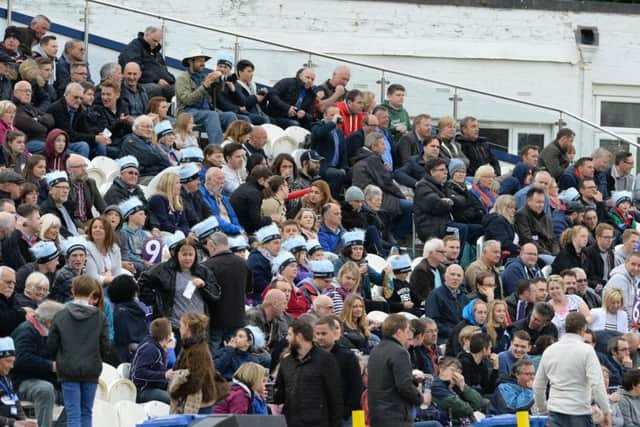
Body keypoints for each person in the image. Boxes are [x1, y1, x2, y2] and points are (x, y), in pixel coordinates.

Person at [48, 275, 110, 427]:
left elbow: (51, 345)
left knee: (73, 414)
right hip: (91, 369)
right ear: (92, 293)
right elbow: (106, 346)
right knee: (86, 412)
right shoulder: (100, 317)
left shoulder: (60, 315)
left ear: (72, 291)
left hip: (68, 369)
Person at [138, 232, 220, 345]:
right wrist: (155, 301)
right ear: (176, 254)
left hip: (199, 327)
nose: (187, 258)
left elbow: (216, 294)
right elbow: (143, 281)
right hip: (175, 327)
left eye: (190, 254)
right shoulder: (163, 270)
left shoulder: (203, 271)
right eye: (184, 254)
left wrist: (204, 286)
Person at [534, 312, 611, 427]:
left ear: (566, 327)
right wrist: (606, 411)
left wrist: (543, 410)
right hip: (580, 412)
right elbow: (597, 384)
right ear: (583, 329)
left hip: (556, 410)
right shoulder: (587, 351)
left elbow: (538, 386)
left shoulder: (550, 350)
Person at [274, 319, 343, 427]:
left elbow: (334, 395)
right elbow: (280, 392)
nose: (287, 338)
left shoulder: (325, 359)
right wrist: (270, 394)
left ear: (299, 336)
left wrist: (335, 424)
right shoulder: (286, 360)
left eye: (290, 334)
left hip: (318, 422)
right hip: (291, 421)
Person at [366, 314, 429, 427]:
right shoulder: (400, 352)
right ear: (399, 332)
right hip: (396, 416)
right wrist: (420, 399)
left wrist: (412, 379)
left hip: (377, 415)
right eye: (407, 331)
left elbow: (387, 379)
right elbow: (404, 386)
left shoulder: (376, 350)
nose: (409, 335)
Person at [352, 132, 412, 241]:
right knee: (410, 206)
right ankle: (396, 236)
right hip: (375, 197)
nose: (385, 148)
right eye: (382, 144)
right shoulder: (373, 159)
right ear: (374, 147)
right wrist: (402, 196)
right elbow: (386, 183)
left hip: (368, 195)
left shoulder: (363, 158)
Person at [201, 232, 252, 351]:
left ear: (212, 246)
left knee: (213, 357)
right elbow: (248, 289)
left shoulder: (207, 266)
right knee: (234, 355)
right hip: (238, 318)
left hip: (215, 320)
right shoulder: (243, 263)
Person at [175, 49, 237, 144]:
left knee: (230, 115)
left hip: (205, 112)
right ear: (190, 61)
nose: (203, 64)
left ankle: (234, 148)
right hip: (187, 112)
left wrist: (219, 79)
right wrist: (205, 85)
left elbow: (218, 91)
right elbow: (187, 100)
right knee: (212, 115)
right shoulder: (182, 78)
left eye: (204, 61)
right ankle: (217, 149)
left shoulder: (203, 76)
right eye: (200, 61)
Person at [313, 316, 363, 423]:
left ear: (334, 333)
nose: (320, 337)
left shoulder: (347, 356)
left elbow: (356, 387)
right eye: (317, 334)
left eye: (324, 333)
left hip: (346, 416)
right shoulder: (311, 357)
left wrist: (345, 412)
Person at [169, 313, 220, 414]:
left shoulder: (197, 350)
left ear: (187, 327)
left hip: (201, 402)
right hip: (198, 399)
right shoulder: (190, 346)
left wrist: (176, 392)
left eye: (181, 325)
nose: (179, 328)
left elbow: (196, 379)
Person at [118, 26, 175, 100]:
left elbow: (163, 69)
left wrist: (171, 79)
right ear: (146, 35)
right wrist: (156, 80)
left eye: (158, 41)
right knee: (155, 89)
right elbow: (135, 71)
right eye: (154, 41)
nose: (156, 44)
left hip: (160, 82)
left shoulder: (156, 51)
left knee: (178, 89)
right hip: (141, 83)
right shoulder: (134, 48)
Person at [129, 317, 173, 404]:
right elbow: (138, 373)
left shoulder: (159, 347)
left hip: (155, 385)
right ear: (167, 336)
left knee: (180, 392)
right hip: (142, 390)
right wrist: (164, 375)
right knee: (173, 401)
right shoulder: (150, 349)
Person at [431, 356, 484, 426]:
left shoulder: (457, 386)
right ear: (441, 369)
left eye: (458, 372)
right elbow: (459, 408)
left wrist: (463, 386)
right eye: (452, 370)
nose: (455, 375)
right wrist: (471, 409)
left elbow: (478, 402)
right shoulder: (436, 385)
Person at [310, 104, 349, 198]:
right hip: (322, 166)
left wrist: (344, 167)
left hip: (336, 166)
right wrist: (332, 123)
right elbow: (319, 134)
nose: (335, 117)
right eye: (332, 115)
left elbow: (343, 151)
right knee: (336, 174)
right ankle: (332, 199)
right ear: (324, 115)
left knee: (353, 173)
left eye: (337, 115)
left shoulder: (339, 131)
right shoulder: (317, 126)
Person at [0, 336, 38, 427]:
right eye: (8, 361)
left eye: (13, 362)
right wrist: (13, 423)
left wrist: (24, 421)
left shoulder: (6, 379)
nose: (12, 366)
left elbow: (15, 401)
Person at [425, 264, 468, 343]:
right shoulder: (435, 295)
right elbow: (432, 321)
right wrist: (454, 332)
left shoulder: (463, 296)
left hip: (462, 336)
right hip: (443, 338)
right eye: (452, 274)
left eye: (459, 276)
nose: (455, 278)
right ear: (445, 276)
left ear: (462, 279)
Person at [514, 187, 559, 262]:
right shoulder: (521, 215)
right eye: (538, 202)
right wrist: (549, 255)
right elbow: (527, 239)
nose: (541, 205)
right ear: (528, 201)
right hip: (534, 253)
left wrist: (556, 254)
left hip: (549, 253)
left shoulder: (546, 218)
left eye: (542, 202)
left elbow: (553, 239)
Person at [120, 115, 171, 180]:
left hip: (156, 174)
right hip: (142, 177)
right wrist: (162, 158)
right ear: (136, 127)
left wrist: (162, 158)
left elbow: (166, 159)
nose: (149, 130)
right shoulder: (131, 141)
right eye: (146, 127)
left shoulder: (150, 142)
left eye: (151, 127)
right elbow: (150, 157)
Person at [199, 167, 244, 235]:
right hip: (217, 234)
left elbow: (234, 218)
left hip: (233, 232)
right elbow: (215, 220)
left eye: (223, 179)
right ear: (208, 180)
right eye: (219, 179)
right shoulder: (202, 196)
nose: (222, 182)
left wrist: (240, 230)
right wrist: (237, 230)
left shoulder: (224, 199)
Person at [229, 165, 273, 234]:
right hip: (244, 231)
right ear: (261, 180)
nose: (269, 186)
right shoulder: (255, 194)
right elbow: (257, 222)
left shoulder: (243, 186)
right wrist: (271, 218)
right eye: (268, 182)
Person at [247, 223, 282, 304]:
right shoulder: (255, 259)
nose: (279, 246)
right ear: (265, 244)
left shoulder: (274, 258)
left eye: (280, 243)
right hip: (260, 299)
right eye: (276, 243)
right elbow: (258, 283)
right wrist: (277, 287)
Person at [604, 251, 640, 323]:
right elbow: (621, 308)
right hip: (616, 323)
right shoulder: (619, 279)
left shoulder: (634, 278)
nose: (636, 268)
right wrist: (633, 324)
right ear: (626, 262)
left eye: (639, 265)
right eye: (633, 264)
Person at [584, 223, 617, 293]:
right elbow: (588, 276)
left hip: (609, 285)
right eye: (606, 237)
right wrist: (596, 284)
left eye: (611, 237)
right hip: (597, 287)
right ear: (597, 237)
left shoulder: (610, 253)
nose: (609, 240)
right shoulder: (589, 252)